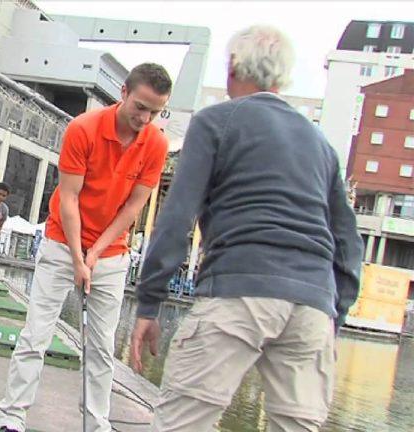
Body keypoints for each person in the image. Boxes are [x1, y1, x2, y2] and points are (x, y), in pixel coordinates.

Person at [130, 25, 364, 432]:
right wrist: (333, 317)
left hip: (238, 288)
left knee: (183, 422)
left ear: (232, 69)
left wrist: (149, 302)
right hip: (312, 304)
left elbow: (177, 218)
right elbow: (348, 244)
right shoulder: (321, 144)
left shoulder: (216, 122)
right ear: (281, 78)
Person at [0, 63, 172, 432]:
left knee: (101, 349)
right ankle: (12, 417)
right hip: (62, 243)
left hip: (111, 254)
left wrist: (95, 254)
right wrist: (79, 256)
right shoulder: (83, 129)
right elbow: (69, 200)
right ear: (123, 93)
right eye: (140, 107)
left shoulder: (156, 144)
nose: (145, 118)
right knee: (36, 334)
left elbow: (134, 207)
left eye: (155, 112)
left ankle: (96, 424)